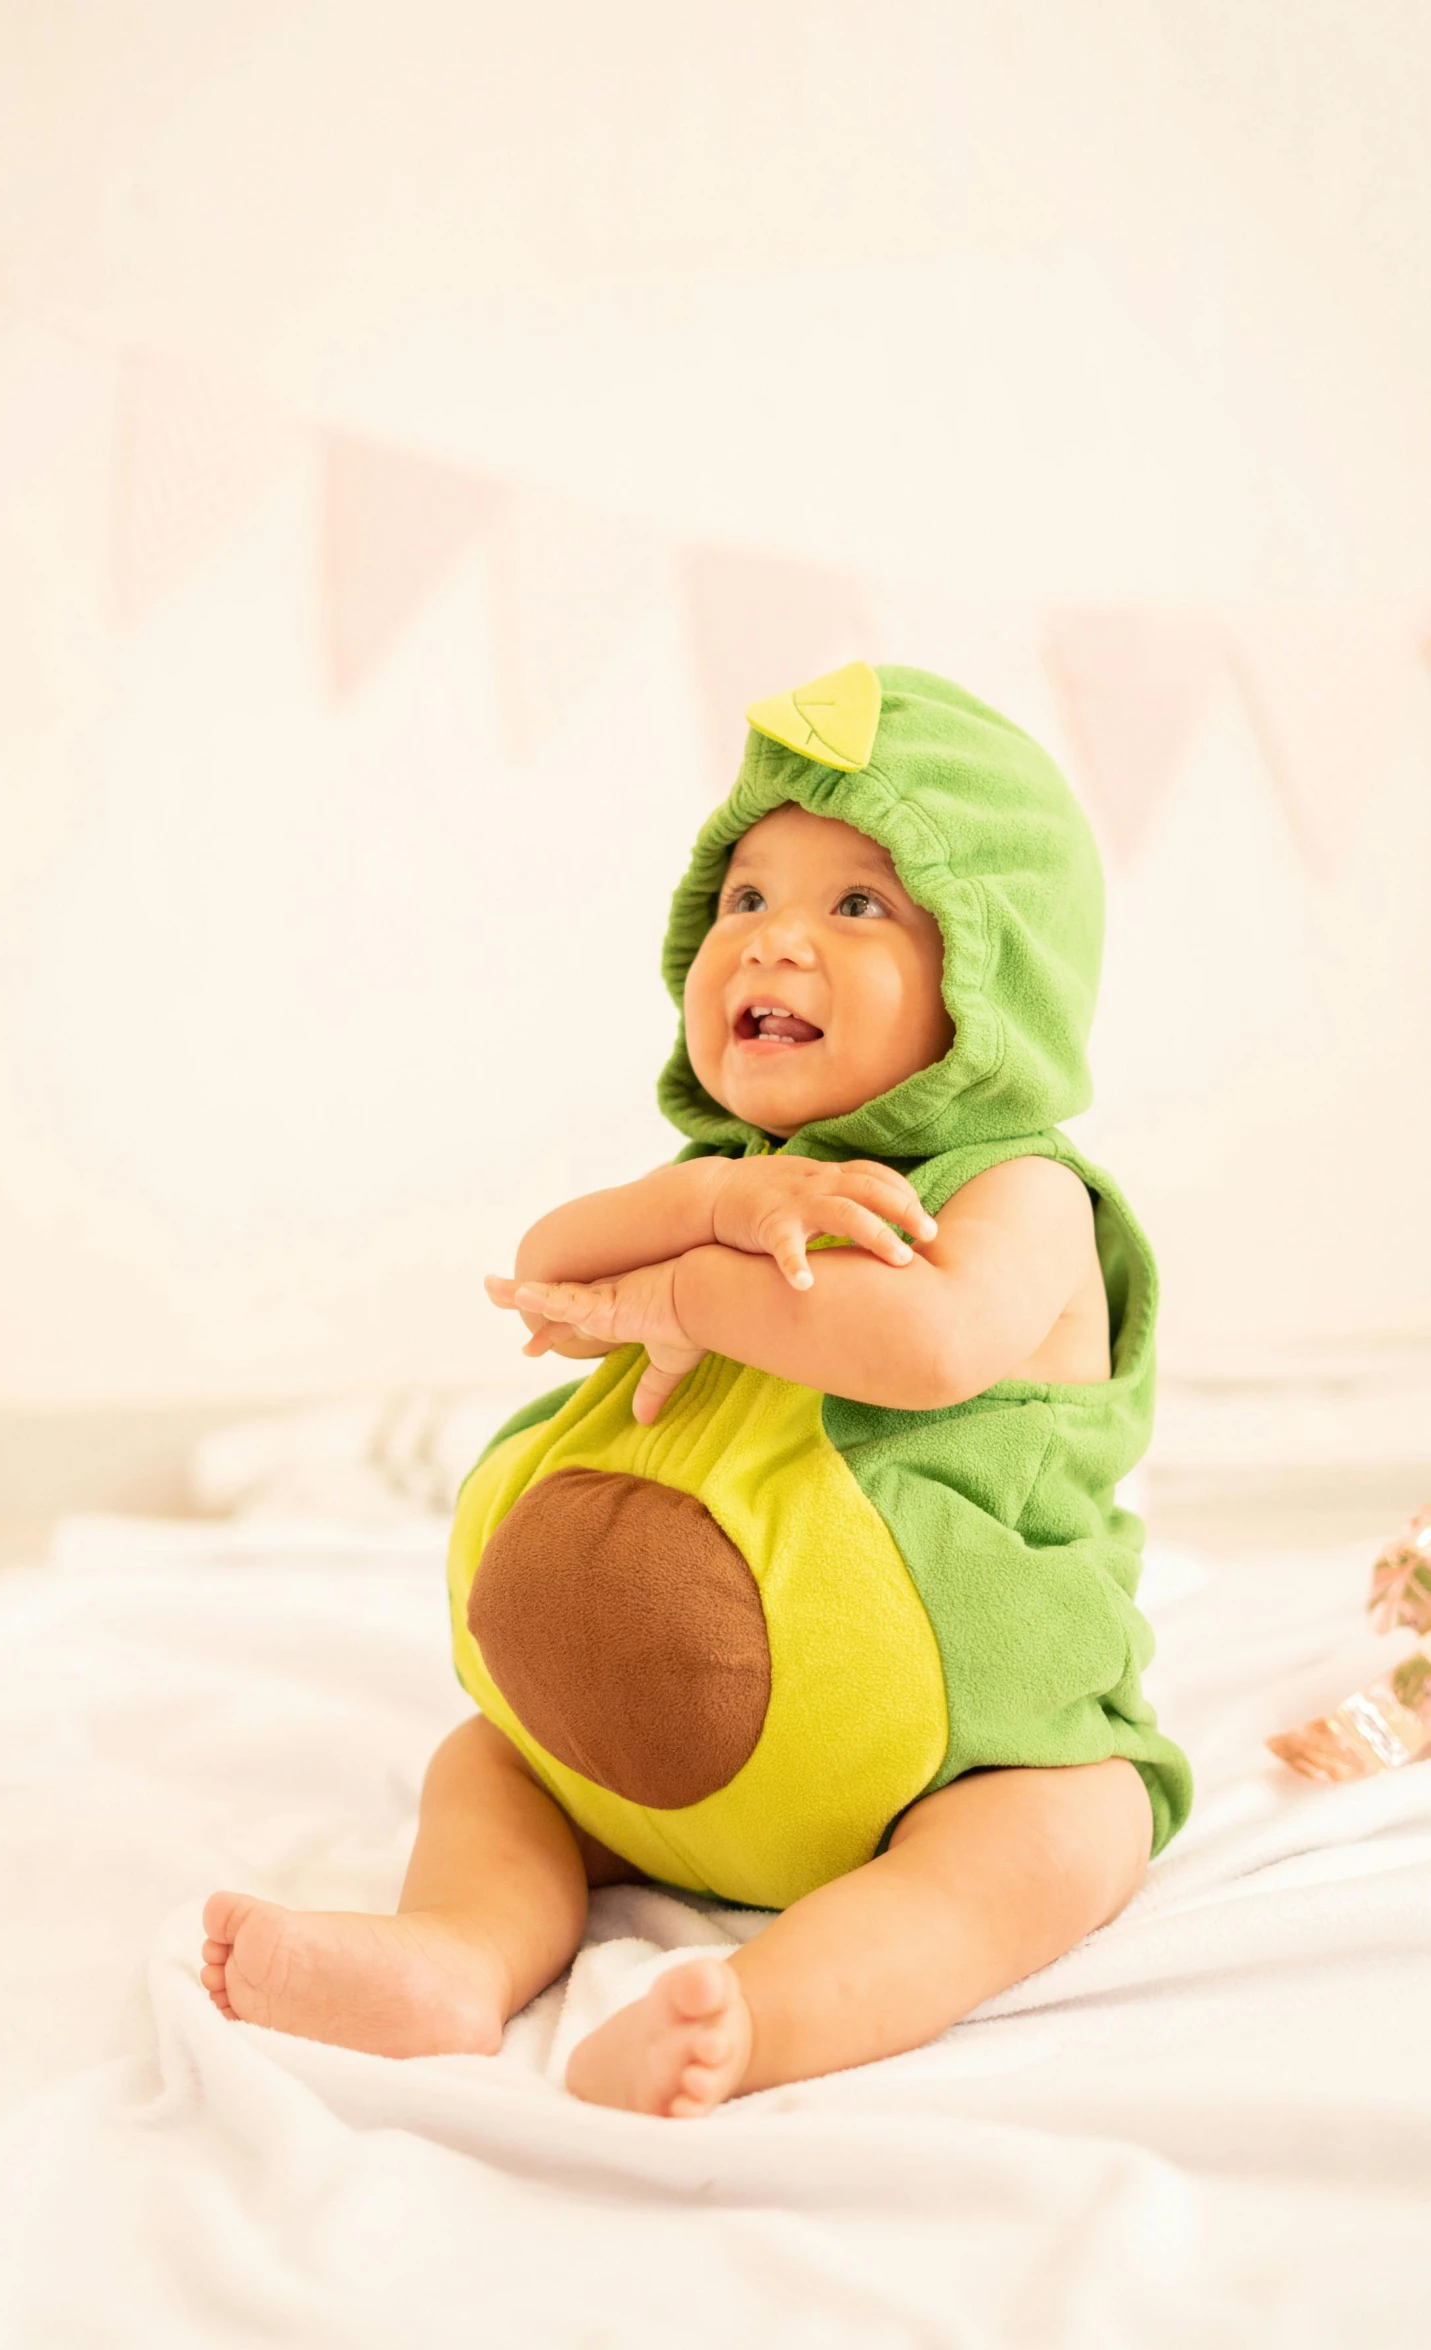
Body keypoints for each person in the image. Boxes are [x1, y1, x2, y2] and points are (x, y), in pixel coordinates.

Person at [201, 661, 1191, 2119]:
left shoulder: (1022, 1190)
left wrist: (681, 1295)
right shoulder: (726, 1185)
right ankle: (455, 1957)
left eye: (857, 904)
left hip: (929, 1751)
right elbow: (546, 1262)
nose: (773, 940)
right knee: (492, 1763)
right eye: (742, 899)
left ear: (997, 974)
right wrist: (727, 1212)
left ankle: (764, 2011)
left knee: (1056, 1834)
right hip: (659, 1741)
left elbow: (920, 1345)